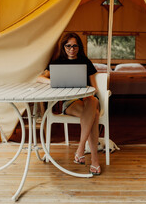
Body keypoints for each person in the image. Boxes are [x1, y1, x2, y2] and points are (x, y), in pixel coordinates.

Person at [37, 32, 101, 175]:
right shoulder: (57, 62)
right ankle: (94, 160)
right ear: (63, 46)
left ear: (79, 47)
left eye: (75, 46)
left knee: (93, 100)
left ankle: (80, 149)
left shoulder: (85, 62)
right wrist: (53, 82)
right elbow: (39, 78)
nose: (71, 49)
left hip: (88, 99)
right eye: (68, 46)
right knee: (94, 115)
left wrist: (86, 93)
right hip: (71, 103)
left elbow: (94, 88)